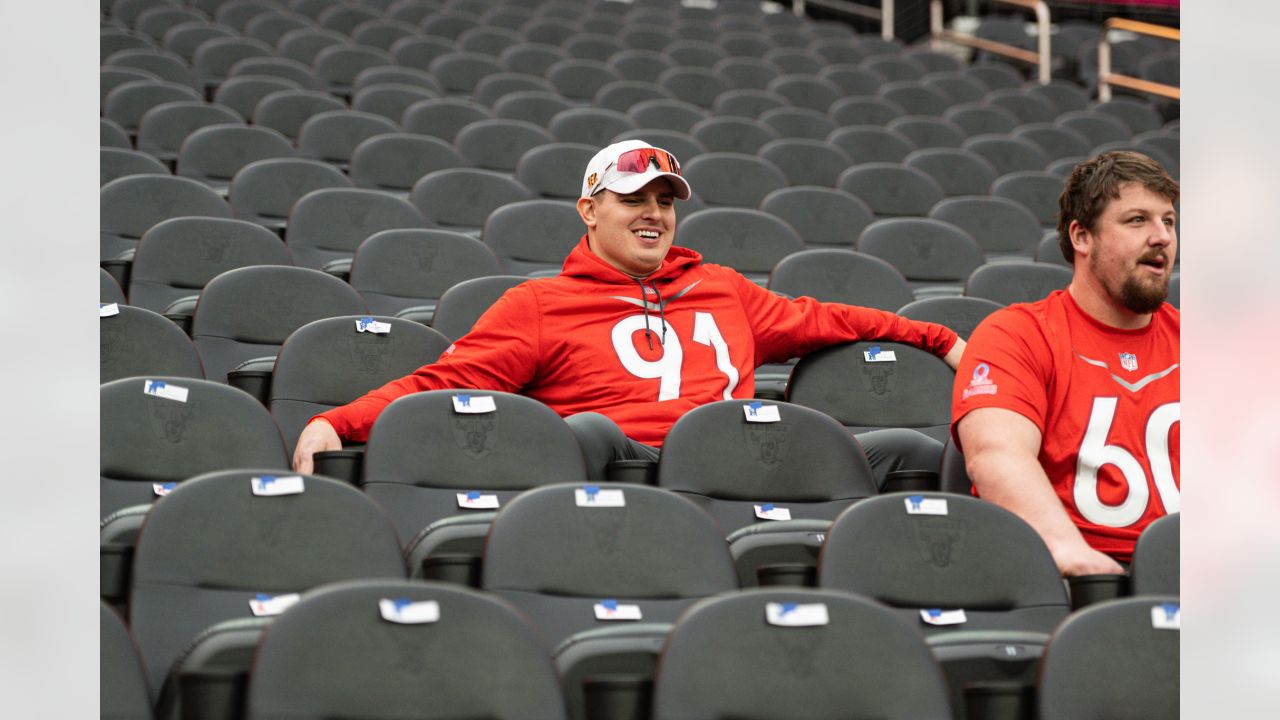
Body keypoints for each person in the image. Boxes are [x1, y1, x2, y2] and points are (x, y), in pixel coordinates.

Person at [294, 139, 966, 481]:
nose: (654, 213)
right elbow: (447, 383)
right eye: (634, 198)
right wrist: (338, 422)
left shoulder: (723, 287)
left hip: (749, 458)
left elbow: (832, 320)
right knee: (583, 431)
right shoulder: (539, 304)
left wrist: (941, 339)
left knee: (913, 451)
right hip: (633, 469)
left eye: (665, 201)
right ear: (590, 210)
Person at [950, 150, 1179, 576]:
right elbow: (997, 455)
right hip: (1081, 580)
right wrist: (1068, 551)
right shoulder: (1016, 334)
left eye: (1168, 220)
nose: (1162, 236)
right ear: (1082, 237)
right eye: (1137, 220)